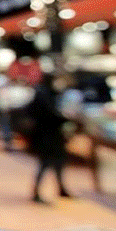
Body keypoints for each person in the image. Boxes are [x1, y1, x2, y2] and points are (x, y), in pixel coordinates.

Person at [29, 72, 72, 203]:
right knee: (45, 164)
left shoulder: (48, 93)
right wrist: (65, 119)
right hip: (46, 136)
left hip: (52, 136)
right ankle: (36, 192)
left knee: (58, 163)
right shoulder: (43, 95)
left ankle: (61, 188)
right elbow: (49, 115)